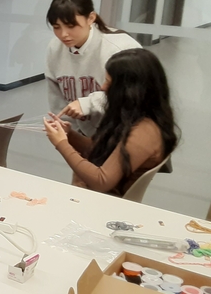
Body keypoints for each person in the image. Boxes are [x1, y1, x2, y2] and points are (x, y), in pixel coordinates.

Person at [44, 49, 178, 196]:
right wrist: (69, 135)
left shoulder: (145, 131)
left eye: (109, 82)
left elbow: (102, 181)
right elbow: (98, 148)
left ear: (130, 90)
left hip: (105, 204)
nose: (103, 88)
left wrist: (61, 144)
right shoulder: (133, 116)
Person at [45, 0, 141, 136]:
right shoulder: (55, 48)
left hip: (125, 134)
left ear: (90, 18)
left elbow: (134, 95)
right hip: (85, 134)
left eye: (71, 26)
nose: (63, 34)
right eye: (56, 27)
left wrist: (88, 103)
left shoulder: (120, 48)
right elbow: (56, 96)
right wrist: (68, 131)